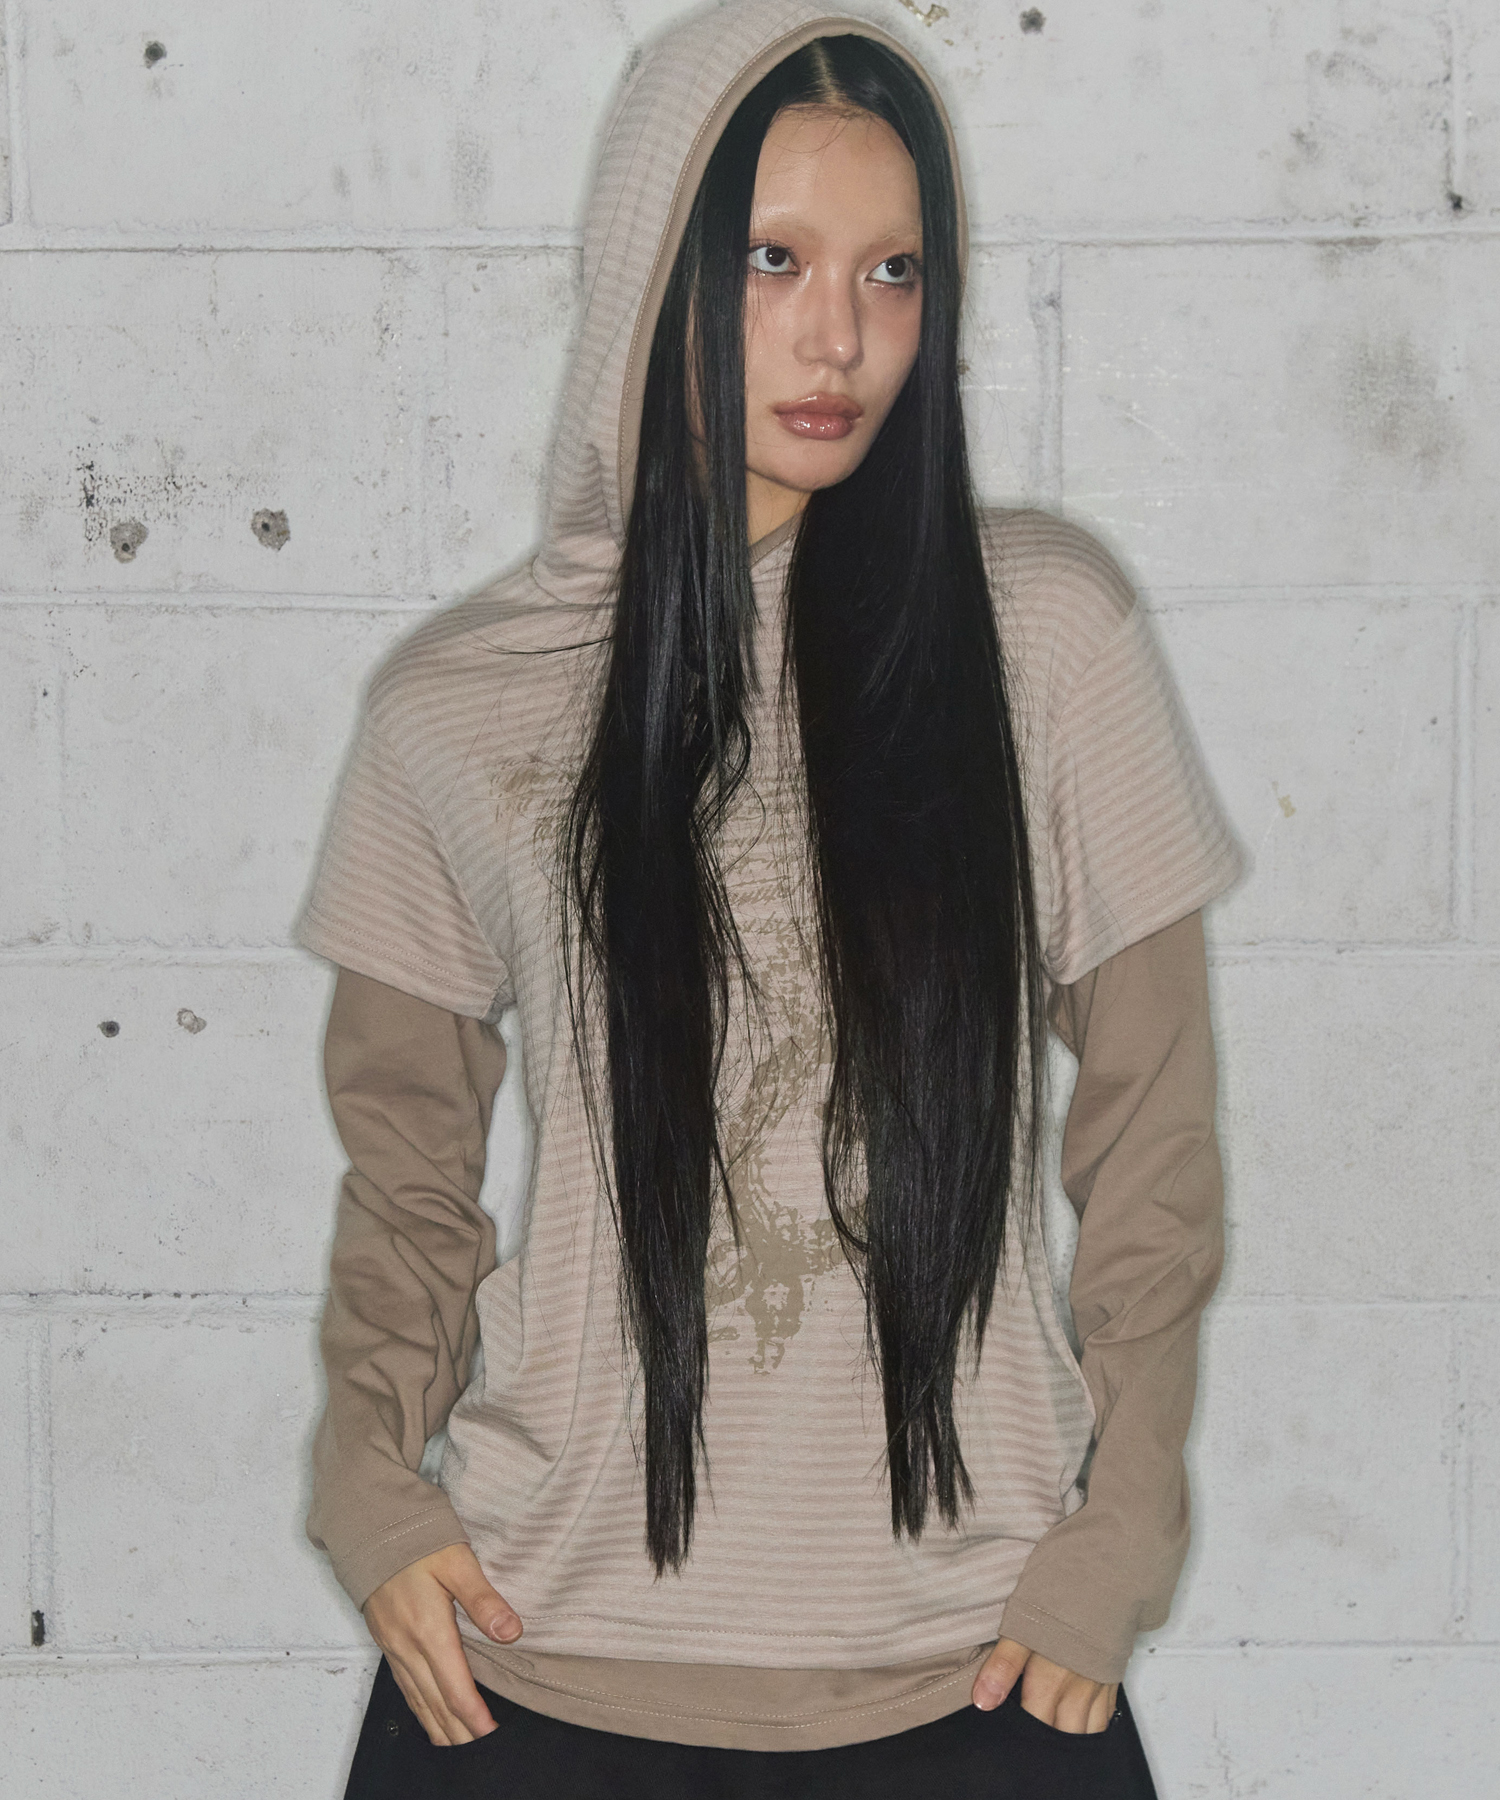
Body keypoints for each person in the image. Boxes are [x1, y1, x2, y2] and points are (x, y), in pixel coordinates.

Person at [297, 3, 1242, 1794]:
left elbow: (1154, 1146)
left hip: (975, 1674)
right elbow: (406, 1177)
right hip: (530, 1666)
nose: (841, 338)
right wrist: (367, 1487)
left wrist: (1121, 1534)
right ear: (650, 266)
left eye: (894, 271)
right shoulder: (458, 706)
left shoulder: (1045, 635)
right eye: (773, 259)